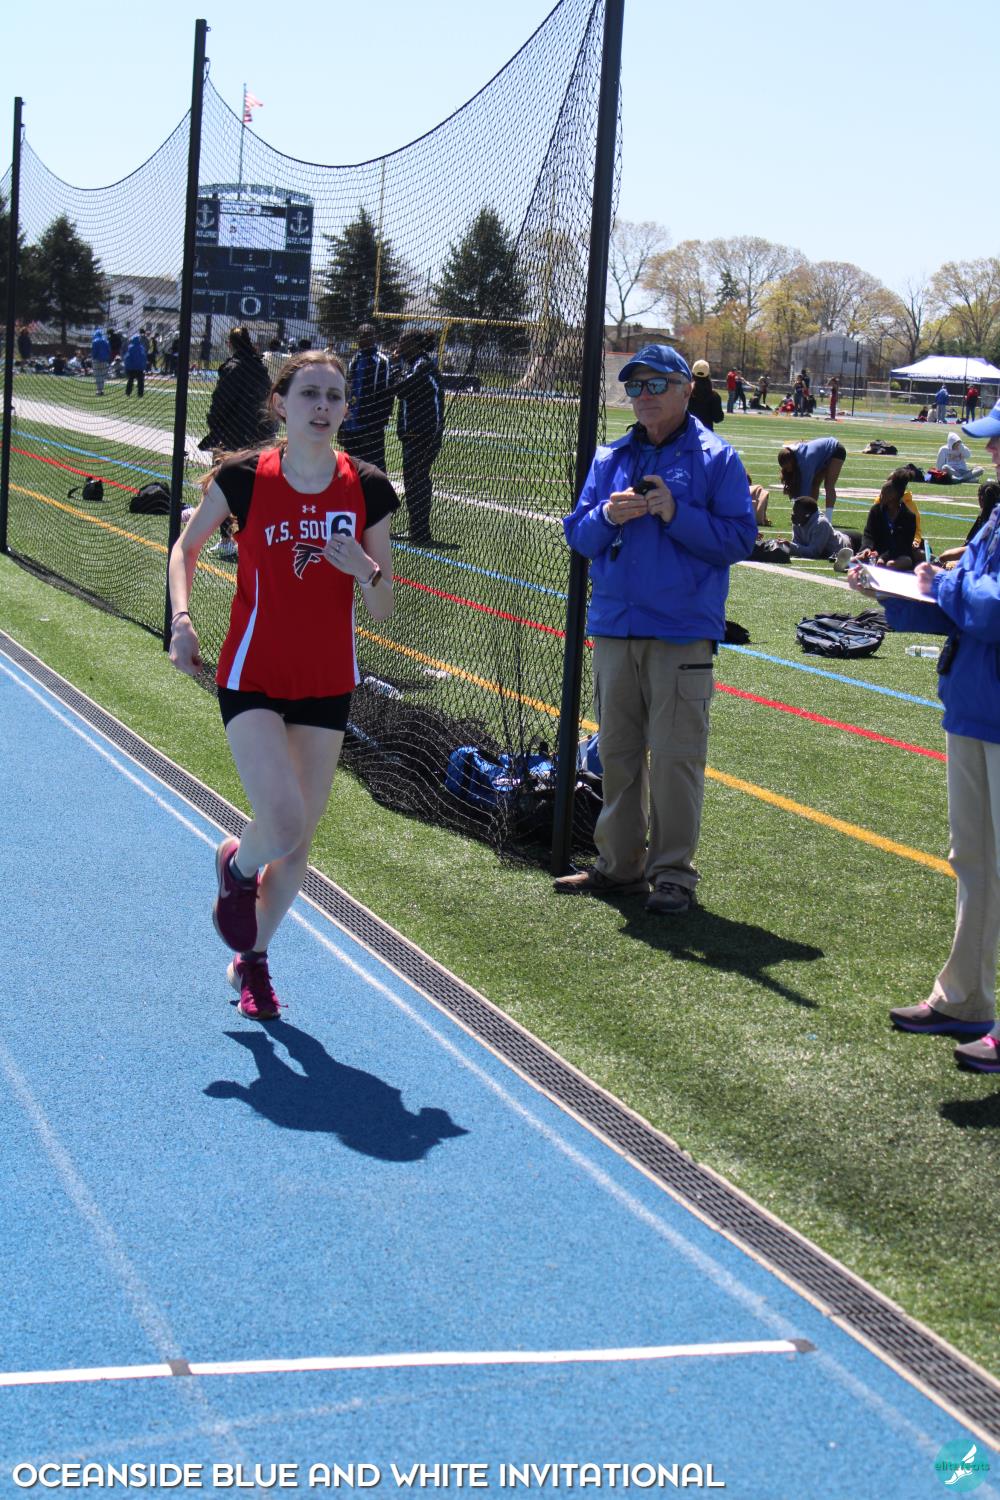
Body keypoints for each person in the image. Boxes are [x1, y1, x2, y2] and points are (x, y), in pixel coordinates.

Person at [167, 351, 398, 1020]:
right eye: (309, 395)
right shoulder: (244, 478)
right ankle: (238, 868)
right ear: (281, 405)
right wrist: (181, 621)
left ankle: (254, 961)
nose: (322, 406)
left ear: (347, 409)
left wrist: (364, 570)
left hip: (327, 681)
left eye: (334, 396)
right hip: (253, 674)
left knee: (297, 847)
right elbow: (185, 548)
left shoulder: (368, 486)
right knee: (283, 820)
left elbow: (385, 606)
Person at [553, 344, 756, 914]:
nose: (643, 396)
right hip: (616, 628)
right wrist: (606, 516)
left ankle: (672, 876)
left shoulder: (717, 458)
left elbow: (740, 539)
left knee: (674, 759)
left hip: (680, 633)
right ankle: (619, 868)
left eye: (656, 385)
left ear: (686, 390)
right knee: (617, 755)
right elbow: (579, 536)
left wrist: (675, 513)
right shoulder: (610, 457)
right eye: (635, 387)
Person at [849, 397, 1000, 1072]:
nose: (989, 450)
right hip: (973, 705)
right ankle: (964, 998)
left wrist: (943, 584)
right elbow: (964, 605)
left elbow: (990, 608)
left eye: (999, 440)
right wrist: (894, 592)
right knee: (974, 860)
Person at [198, 327, 277, 558]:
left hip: (232, 438)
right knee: (252, 489)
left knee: (222, 486)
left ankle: (227, 539)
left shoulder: (233, 368)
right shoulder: (259, 368)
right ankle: (250, 539)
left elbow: (220, 404)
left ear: (230, 344)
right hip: (259, 437)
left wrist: (215, 427)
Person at [385, 330, 445, 545]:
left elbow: (399, 389)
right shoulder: (413, 365)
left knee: (418, 482)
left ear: (415, 345)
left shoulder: (422, 366)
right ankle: (416, 530)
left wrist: (393, 366)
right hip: (413, 434)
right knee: (412, 482)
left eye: (403, 342)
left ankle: (421, 534)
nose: (399, 346)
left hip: (423, 435)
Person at [340, 324, 394, 471]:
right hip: (351, 423)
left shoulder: (382, 361)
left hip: (370, 424)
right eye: (361, 336)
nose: (364, 340)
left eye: (368, 336)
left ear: (374, 338)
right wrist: (342, 423)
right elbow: (347, 390)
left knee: (374, 466)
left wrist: (378, 422)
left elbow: (387, 394)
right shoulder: (355, 359)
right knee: (350, 465)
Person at [853, 470, 918, 570]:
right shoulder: (876, 510)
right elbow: (869, 534)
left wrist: (884, 557)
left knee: (893, 564)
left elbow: (902, 546)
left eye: (883, 493)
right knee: (857, 559)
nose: (880, 496)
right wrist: (867, 548)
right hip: (876, 551)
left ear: (893, 496)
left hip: (897, 555)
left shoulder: (909, 517)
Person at [777, 436, 846, 521]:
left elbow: (805, 492)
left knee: (829, 485)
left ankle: (828, 518)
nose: (787, 470)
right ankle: (813, 513)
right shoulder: (794, 457)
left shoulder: (805, 463)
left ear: (791, 461)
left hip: (836, 450)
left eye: (787, 467)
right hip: (823, 455)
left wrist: (798, 512)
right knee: (815, 483)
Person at [936, 479, 1000, 567]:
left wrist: (948, 558)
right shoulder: (985, 516)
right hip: (985, 559)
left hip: (988, 564)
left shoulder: (991, 520)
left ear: (981, 498)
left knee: (944, 558)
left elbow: (978, 548)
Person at [785, 497, 858, 562]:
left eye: (797, 512)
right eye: (793, 511)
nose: (793, 514)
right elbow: (798, 546)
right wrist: (783, 546)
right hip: (840, 538)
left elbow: (814, 552)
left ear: (807, 514)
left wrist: (790, 547)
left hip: (853, 543)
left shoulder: (821, 523)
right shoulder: (798, 522)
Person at [687, 359, 723, 430]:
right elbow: (718, 418)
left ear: (692, 374)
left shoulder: (686, 393)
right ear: (708, 374)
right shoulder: (714, 395)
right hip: (706, 434)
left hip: (688, 433)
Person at [123, 332, 147, 397]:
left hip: (132, 367)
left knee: (130, 380)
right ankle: (140, 394)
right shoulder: (142, 348)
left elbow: (127, 357)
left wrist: (126, 366)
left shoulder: (130, 347)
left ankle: (128, 392)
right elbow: (144, 357)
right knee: (140, 381)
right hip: (140, 368)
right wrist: (144, 366)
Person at [91, 328, 110, 396]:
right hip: (104, 360)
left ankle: (99, 390)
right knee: (102, 376)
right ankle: (101, 390)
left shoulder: (94, 341)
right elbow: (109, 350)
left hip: (96, 360)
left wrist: (93, 357)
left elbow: (94, 351)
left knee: (97, 375)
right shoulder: (106, 341)